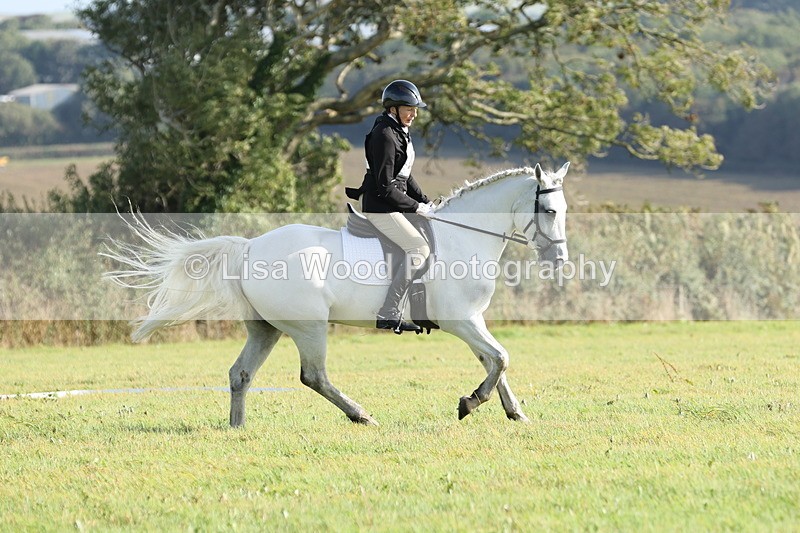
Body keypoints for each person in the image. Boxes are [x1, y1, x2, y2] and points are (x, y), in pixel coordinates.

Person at [346, 79, 435, 333]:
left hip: (392, 202)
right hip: (380, 205)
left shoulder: (398, 131)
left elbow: (406, 175)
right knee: (419, 249)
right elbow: (385, 186)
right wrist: (416, 207)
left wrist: (426, 201)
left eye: (415, 109)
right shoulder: (385, 135)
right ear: (393, 108)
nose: (414, 114)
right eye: (409, 108)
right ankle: (389, 311)